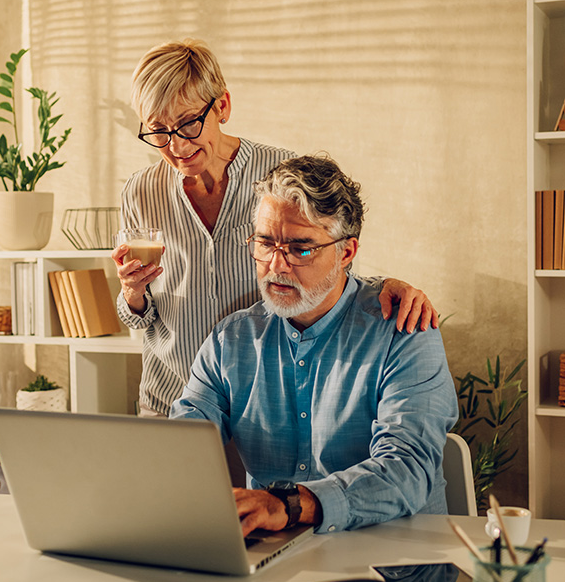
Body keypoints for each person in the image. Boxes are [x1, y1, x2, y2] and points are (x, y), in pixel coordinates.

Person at [112, 39, 438, 419]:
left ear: (222, 106)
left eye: (187, 124)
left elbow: (327, 271)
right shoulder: (140, 191)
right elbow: (140, 315)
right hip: (171, 399)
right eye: (159, 131)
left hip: (264, 408)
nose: (176, 145)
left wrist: (386, 287)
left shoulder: (280, 175)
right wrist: (132, 292)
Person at [170, 154, 458, 535]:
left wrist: (290, 505)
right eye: (265, 243)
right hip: (275, 559)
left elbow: (406, 469)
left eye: (300, 248)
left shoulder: (403, 331)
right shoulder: (231, 340)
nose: (276, 265)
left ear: (347, 252)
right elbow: (182, 446)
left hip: (395, 562)